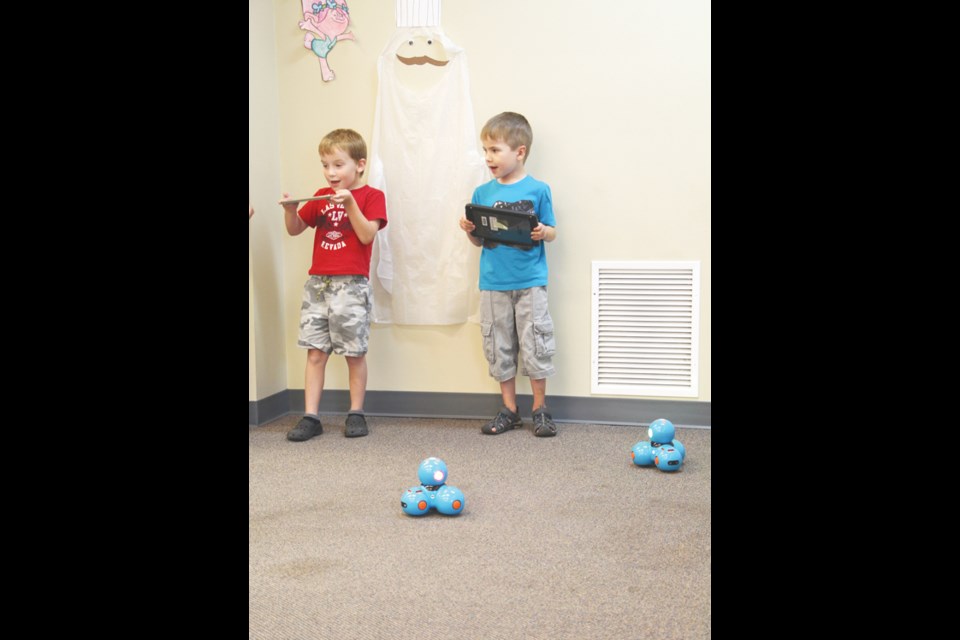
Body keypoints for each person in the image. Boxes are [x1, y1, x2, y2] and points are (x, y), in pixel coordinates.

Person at [280, 129, 387, 441]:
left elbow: (367, 234)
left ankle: (356, 412)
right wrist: (290, 212)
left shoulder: (372, 197)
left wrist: (350, 203)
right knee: (315, 353)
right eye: (325, 165)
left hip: (351, 286)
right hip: (318, 285)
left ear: (360, 165)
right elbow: (295, 229)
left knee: (354, 353)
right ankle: (311, 417)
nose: (330, 173)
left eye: (338, 165)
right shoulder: (321, 196)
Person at [458, 112, 558, 437]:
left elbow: (552, 230)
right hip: (493, 282)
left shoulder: (538, 190)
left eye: (495, 150)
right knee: (499, 343)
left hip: (530, 280)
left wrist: (544, 232)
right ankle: (509, 410)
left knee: (535, 343)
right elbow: (479, 241)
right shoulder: (481, 193)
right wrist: (469, 230)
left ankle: (540, 409)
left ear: (520, 151)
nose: (488, 157)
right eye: (485, 150)